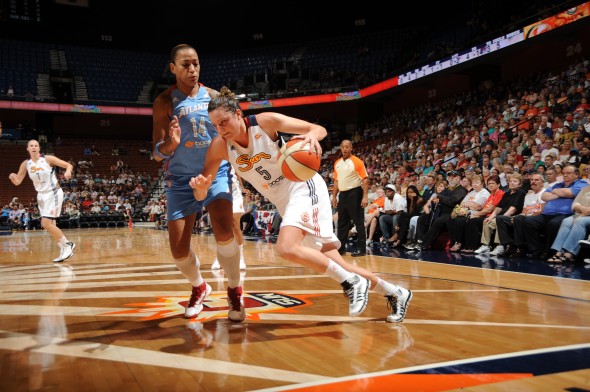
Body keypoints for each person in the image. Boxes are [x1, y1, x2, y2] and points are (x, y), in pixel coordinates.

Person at [189, 87, 412, 323]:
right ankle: (397, 293)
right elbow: (202, 185)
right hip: (283, 201)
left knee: (286, 247)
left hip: (303, 186)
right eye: (215, 125)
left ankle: (351, 283)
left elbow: (318, 129)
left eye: (224, 122)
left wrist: (312, 137)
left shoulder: (265, 122)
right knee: (337, 263)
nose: (220, 129)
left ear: (237, 113)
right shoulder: (220, 145)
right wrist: (200, 188)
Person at [152, 44, 244, 321]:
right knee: (178, 252)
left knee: (224, 232)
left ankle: (234, 290)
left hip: (213, 173)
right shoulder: (164, 102)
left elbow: (234, 133)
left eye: (196, 64)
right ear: (173, 68)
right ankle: (199, 287)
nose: (192, 69)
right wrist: (171, 143)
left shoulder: (214, 97)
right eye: (185, 65)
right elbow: (156, 153)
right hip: (180, 180)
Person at [8, 139, 76, 262]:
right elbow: (18, 182)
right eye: (31, 146)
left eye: (36, 145)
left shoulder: (48, 159)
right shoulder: (25, 164)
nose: (33, 147)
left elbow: (68, 165)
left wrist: (68, 171)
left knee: (45, 223)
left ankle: (68, 245)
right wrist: (13, 178)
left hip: (53, 192)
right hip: (41, 196)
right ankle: (63, 248)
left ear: (39, 148)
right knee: (51, 225)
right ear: (27, 149)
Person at [332, 139, 369, 257]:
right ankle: (341, 248)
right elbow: (336, 181)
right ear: (340, 148)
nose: (345, 149)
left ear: (351, 148)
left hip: (355, 193)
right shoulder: (337, 163)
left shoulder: (357, 161)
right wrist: (334, 196)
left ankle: (361, 249)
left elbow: (365, 180)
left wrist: (365, 197)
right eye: (343, 147)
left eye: (347, 146)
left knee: (358, 222)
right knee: (342, 222)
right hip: (342, 195)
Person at [211, 165, 247, 271]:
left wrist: (243, 188)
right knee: (220, 226)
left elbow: (237, 173)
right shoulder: (210, 157)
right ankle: (220, 257)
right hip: (219, 193)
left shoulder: (230, 154)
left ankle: (240, 258)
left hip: (235, 193)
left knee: (234, 224)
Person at [546, 184, 590, 263]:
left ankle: (569, 253)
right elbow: (575, 204)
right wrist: (581, 208)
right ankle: (559, 252)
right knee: (566, 221)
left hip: (585, 216)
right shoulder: (585, 189)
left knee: (580, 221)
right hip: (581, 213)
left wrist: (583, 214)